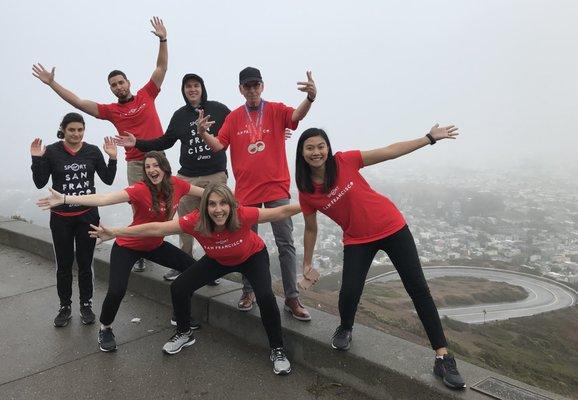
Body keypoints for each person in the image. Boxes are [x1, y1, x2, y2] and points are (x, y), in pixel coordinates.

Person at [295, 126, 466, 389]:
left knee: (418, 289)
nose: (316, 152)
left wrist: (428, 138)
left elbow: (388, 152)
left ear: (328, 148)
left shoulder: (344, 161)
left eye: (320, 146)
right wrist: (307, 263)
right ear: (302, 153)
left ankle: (443, 356)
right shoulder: (306, 191)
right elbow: (310, 227)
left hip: (391, 227)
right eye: (310, 148)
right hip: (356, 239)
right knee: (350, 291)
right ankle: (345, 328)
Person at [89, 183, 300, 375]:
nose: (218, 210)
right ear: (205, 207)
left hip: (252, 257)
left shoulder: (242, 215)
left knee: (265, 297)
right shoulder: (195, 221)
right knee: (179, 287)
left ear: (231, 205)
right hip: (218, 259)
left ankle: (277, 349)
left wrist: (311, 204)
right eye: (212, 204)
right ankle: (183, 332)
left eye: (223, 203)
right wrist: (116, 232)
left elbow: (280, 211)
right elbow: (156, 228)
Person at [32, 16, 169, 272]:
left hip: (158, 158)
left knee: (166, 203)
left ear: (128, 82)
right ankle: (138, 247)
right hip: (135, 163)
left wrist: (163, 39)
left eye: (121, 82)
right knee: (141, 205)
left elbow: (161, 69)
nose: (118, 87)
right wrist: (52, 83)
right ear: (111, 89)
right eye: (113, 85)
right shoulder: (111, 111)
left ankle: (157, 245)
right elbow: (79, 103)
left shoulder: (146, 94)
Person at [37, 151, 204, 352]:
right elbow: (104, 199)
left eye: (155, 165)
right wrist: (64, 198)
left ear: (165, 167)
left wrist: (231, 203)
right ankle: (105, 328)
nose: (151, 170)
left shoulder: (178, 185)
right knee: (117, 290)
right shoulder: (140, 190)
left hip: (154, 245)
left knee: (193, 270)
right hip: (128, 245)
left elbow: (206, 194)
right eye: (147, 166)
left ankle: (180, 315)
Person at [197, 67, 316, 321]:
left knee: (285, 244)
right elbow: (219, 145)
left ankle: (292, 298)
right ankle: (248, 291)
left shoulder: (275, 109)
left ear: (262, 86)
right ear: (240, 89)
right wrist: (203, 133)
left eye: (256, 85)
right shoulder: (234, 118)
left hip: (276, 187)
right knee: (245, 246)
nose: (252, 90)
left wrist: (310, 98)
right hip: (246, 192)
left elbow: (297, 115)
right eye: (247, 86)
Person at [115, 73, 230, 282]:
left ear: (202, 88)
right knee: (185, 224)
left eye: (196, 85)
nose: (192, 89)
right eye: (188, 87)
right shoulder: (180, 115)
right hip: (187, 176)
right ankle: (185, 264)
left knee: (216, 221)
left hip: (214, 174)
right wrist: (138, 143)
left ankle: (214, 268)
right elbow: (165, 141)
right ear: (184, 91)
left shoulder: (218, 109)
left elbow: (237, 128)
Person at [31, 112, 117, 327]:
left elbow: (108, 179)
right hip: (61, 217)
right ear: (63, 129)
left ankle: (86, 304)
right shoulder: (51, 151)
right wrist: (36, 159)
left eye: (80, 129)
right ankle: (65, 306)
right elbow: (40, 183)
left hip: (87, 215)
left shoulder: (92, 151)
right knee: (64, 264)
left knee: (86, 263)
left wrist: (113, 158)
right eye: (72, 130)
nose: (76, 134)